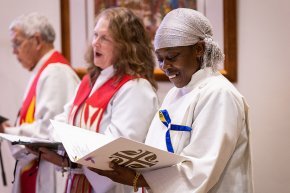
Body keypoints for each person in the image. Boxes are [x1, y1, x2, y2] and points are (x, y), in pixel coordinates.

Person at [91, 8, 254, 193]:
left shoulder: (219, 95)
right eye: (160, 59)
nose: (165, 67)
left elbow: (199, 171)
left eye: (172, 57)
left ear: (198, 49)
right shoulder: (175, 93)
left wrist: (139, 179)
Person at [37, 7, 159, 193]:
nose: (95, 43)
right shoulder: (89, 81)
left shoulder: (136, 88)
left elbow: (116, 153)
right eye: (95, 35)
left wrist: (67, 158)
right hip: (78, 184)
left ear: (126, 46)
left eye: (104, 38)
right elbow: (61, 123)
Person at [0, 13, 80, 193]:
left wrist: (6, 131)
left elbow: (48, 132)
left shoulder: (56, 72)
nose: (14, 51)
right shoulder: (43, 71)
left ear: (36, 40)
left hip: (50, 172)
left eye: (17, 43)